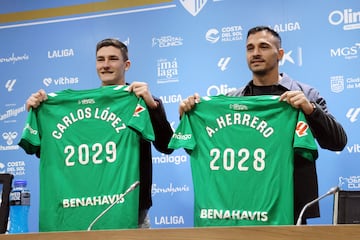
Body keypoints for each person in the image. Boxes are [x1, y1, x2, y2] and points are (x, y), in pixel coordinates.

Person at [179, 26, 347, 224]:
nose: (256, 53)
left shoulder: (306, 94)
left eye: (264, 46)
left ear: (280, 54)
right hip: (243, 208)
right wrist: (189, 116)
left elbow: (338, 142)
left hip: (290, 210)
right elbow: (205, 149)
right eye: (250, 48)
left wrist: (311, 110)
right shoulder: (231, 101)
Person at [25, 38, 174, 228]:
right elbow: (53, 151)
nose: (105, 65)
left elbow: (167, 145)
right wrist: (37, 113)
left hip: (132, 209)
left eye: (112, 59)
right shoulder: (74, 107)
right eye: (100, 59)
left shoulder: (142, 100)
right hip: (85, 208)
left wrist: (152, 106)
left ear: (126, 64)